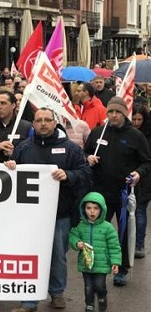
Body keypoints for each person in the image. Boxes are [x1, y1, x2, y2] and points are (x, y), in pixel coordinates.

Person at [6, 108, 92, 312]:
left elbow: (86, 174)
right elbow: (11, 176)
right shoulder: (24, 148)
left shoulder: (70, 149)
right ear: (33, 124)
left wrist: (69, 175)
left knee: (57, 256)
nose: (43, 123)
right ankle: (28, 301)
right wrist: (9, 166)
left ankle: (57, 293)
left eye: (47, 120)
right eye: (39, 120)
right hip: (29, 216)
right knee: (28, 256)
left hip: (59, 214)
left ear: (55, 123)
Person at [84, 97, 151, 286]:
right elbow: (84, 153)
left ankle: (121, 269)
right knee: (97, 230)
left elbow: (147, 162)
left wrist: (138, 173)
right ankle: (95, 264)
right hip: (100, 192)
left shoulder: (135, 136)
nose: (113, 115)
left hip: (125, 194)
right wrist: (88, 157)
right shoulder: (98, 132)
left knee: (123, 233)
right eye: (110, 112)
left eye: (117, 112)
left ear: (124, 113)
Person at [69, 192, 122, 312]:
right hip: (86, 263)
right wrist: (77, 243)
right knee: (88, 286)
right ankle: (89, 304)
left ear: (102, 209)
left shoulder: (108, 228)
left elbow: (114, 246)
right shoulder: (81, 226)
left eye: (96, 208)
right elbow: (73, 236)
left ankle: (102, 297)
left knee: (99, 285)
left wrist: (115, 262)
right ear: (83, 209)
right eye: (88, 208)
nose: (92, 212)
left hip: (101, 264)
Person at [0, 89, 33, 162]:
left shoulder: (26, 127)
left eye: (3, 103)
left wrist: (14, 154)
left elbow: (34, 154)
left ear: (13, 105)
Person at [131, 104, 151, 258]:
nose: (136, 122)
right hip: (129, 176)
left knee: (140, 211)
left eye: (140, 119)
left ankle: (139, 244)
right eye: (134, 119)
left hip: (145, 178)